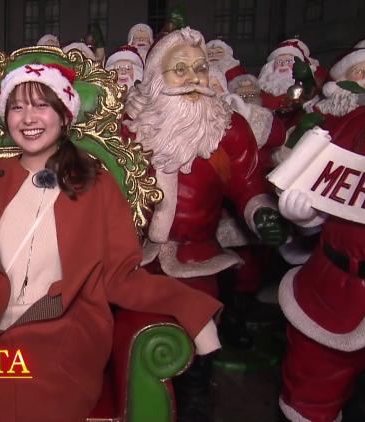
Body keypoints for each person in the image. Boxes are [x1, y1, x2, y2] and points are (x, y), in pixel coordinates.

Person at [0, 63, 222, 422]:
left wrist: (189, 307)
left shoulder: (96, 184)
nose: (28, 118)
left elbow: (120, 275)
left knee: (17, 390)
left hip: (60, 331)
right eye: (17, 107)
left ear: (64, 116)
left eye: (41, 105)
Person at [124, 27, 288, 420]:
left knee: (200, 331)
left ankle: (194, 398)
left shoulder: (227, 129)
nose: (194, 78)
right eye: (180, 69)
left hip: (197, 256)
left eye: (200, 68)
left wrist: (261, 212)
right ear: (156, 77)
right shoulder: (129, 127)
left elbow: (248, 183)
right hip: (133, 256)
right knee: (133, 335)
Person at [276, 33, 365, 422]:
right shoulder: (355, 126)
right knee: (308, 399)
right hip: (335, 293)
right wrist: (307, 217)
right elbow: (321, 191)